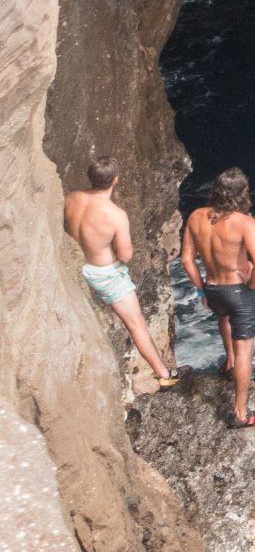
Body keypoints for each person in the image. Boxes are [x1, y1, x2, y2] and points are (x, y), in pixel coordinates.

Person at [62, 155, 179, 386]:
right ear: (115, 180)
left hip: (78, 267)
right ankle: (165, 376)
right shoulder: (115, 215)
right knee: (137, 325)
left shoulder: (71, 198)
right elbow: (125, 255)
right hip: (106, 275)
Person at [182, 167, 255, 429]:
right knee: (246, 352)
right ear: (243, 193)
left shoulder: (196, 217)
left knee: (224, 316)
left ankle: (229, 362)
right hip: (238, 292)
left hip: (213, 288)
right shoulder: (246, 223)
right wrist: (251, 285)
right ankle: (241, 413)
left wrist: (201, 290)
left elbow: (187, 259)